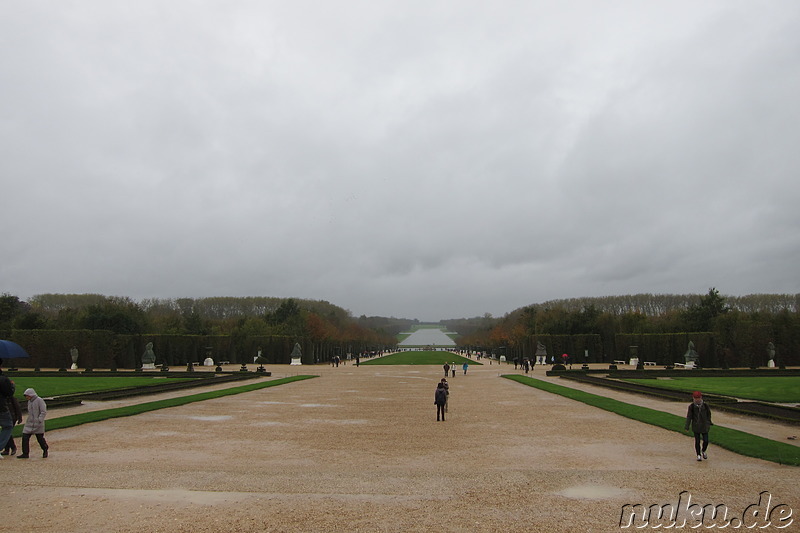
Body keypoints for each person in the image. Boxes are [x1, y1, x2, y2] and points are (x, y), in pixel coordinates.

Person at [17, 388, 48, 459]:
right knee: (25, 437)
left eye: (27, 396)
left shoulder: (39, 400)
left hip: (38, 424)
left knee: (40, 438)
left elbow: (43, 411)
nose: (26, 397)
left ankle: (45, 449)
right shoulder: (29, 402)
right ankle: (25, 453)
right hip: (30, 423)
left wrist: (39, 420)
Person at [684, 391, 712, 461]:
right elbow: (689, 417)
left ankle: (703, 450)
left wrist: (709, 422)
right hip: (696, 426)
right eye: (696, 398)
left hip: (704, 426)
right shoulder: (691, 407)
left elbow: (709, 414)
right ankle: (698, 455)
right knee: (697, 441)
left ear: (701, 397)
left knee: (706, 441)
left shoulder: (705, 406)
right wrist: (687, 426)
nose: (697, 400)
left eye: (698, 398)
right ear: (693, 398)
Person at [1, 377, 22, 456]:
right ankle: (7, 449)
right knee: (6, 432)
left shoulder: (11, 398)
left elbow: (17, 407)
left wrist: (19, 417)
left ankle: (12, 448)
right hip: (6, 415)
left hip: (12, 417)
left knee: (7, 432)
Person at [0, 359, 16, 459]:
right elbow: (9, 393)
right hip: (1, 407)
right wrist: (12, 386)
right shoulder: (3, 379)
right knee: (8, 426)